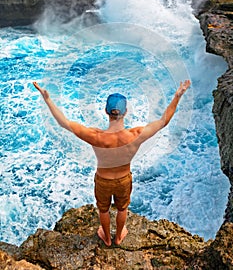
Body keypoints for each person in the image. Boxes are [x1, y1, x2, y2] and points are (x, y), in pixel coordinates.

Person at [33, 80, 191, 246]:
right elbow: (162, 122)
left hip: (103, 180)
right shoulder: (135, 135)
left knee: (103, 209)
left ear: (106, 112)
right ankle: (119, 236)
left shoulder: (96, 136)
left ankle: (107, 238)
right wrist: (177, 96)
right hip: (123, 179)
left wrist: (47, 99)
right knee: (122, 208)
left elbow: (64, 123)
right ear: (126, 112)